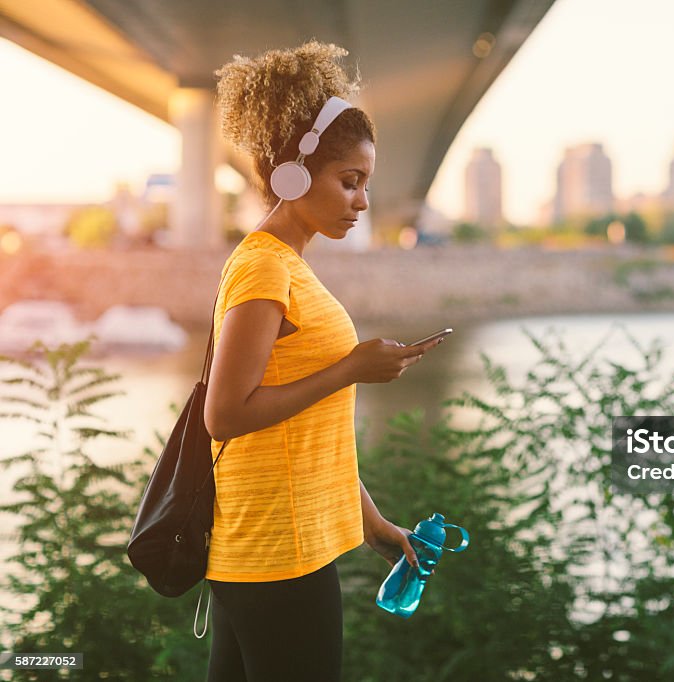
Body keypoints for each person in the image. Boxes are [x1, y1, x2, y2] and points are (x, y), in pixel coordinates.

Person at [202, 41, 443, 682]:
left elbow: (314, 432)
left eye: (366, 184)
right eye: (350, 181)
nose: (362, 201)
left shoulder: (289, 268)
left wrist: (376, 526)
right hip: (278, 554)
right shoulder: (262, 268)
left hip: (276, 548)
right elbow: (223, 415)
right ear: (292, 175)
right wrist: (350, 368)